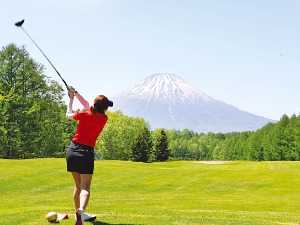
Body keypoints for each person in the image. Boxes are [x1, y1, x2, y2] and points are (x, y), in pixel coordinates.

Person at [66, 87, 113, 225]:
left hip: (72, 151)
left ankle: (78, 215)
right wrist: (76, 94)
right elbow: (87, 105)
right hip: (86, 153)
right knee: (85, 188)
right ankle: (80, 210)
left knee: (78, 186)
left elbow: (69, 114)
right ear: (104, 109)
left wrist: (71, 99)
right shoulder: (104, 118)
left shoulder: (84, 113)